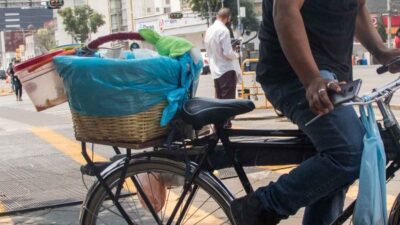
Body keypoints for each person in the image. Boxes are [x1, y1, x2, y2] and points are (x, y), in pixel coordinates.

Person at [230, 0, 400, 225]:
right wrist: (311, 79)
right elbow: (285, 9)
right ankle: (261, 206)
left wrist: (381, 51)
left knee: (338, 165)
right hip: (293, 74)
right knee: (351, 150)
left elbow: (355, 7)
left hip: (334, 76)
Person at [204, 8, 241, 127]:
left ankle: (218, 124)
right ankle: (225, 124)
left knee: (218, 98)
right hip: (226, 68)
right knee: (228, 99)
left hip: (215, 68)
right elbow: (227, 52)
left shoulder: (209, 30)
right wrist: (236, 54)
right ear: (228, 17)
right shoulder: (223, 30)